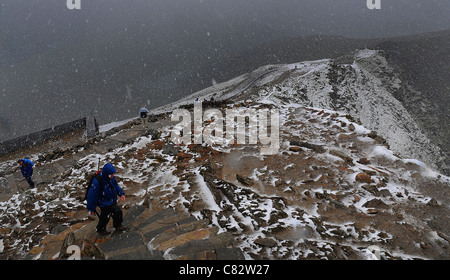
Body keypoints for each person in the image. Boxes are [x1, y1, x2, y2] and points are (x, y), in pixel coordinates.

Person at [86, 163, 126, 235]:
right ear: (106, 174)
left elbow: (115, 186)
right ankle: (103, 229)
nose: (113, 176)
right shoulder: (97, 181)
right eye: (111, 174)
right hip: (104, 202)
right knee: (111, 214)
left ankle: (110, 227)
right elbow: (92, 196)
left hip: (111, 200)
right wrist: (91, 209)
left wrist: (121, 194)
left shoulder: (110, 177)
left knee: (111, 214)